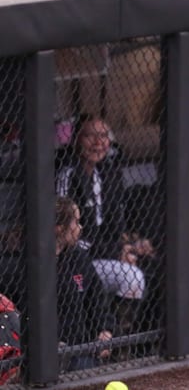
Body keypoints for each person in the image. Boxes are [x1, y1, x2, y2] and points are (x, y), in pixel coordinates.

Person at [55, 114, 151, 333]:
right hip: (75, 259)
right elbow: (70, 239)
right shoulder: (68, 175)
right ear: (76, 139)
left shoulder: (107, 175)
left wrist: (126, 248)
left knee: (144, 264)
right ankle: (113, 338)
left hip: (102, 254)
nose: (98, 143)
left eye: (103, 136)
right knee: (132, 276)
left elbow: (115, 228)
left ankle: (129, 340)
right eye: (90, 136)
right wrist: (116, 251)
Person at [55, 196, 115, 371]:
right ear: (59, 228)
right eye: (76, 222)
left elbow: (97, 298)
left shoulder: (77, 257)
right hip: (49, 351)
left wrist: (105, 329)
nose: (80, 228)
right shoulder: (31, 263)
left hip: (81, 348)